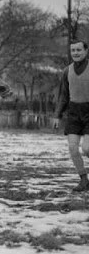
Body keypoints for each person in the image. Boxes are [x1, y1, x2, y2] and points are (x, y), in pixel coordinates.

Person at [53, 39, 89, 192]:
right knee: (73, 149)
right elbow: (63, 96)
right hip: (74, 113)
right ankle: (84, 180)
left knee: (87, 149)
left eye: (79, 50)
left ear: (86, 51)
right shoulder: (67, 71)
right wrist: (57, 115)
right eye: (73, 50)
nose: (76, 53)